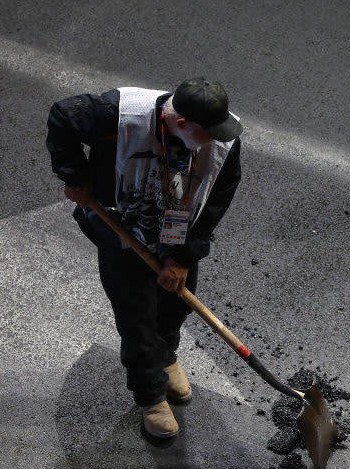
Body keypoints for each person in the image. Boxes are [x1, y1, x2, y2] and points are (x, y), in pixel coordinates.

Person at [46, 78, 243, 438]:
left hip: (178, 235)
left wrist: (183, 257)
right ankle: (151, 396)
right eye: (207, 135)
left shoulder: (222, 138)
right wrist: (75, 176)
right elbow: (63, 116)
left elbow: (218, 198)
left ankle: (166, 359)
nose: (215, 140)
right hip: (123, 233)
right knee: (137, 320)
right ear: (181, 123)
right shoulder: (117, 115)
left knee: (176, 305)